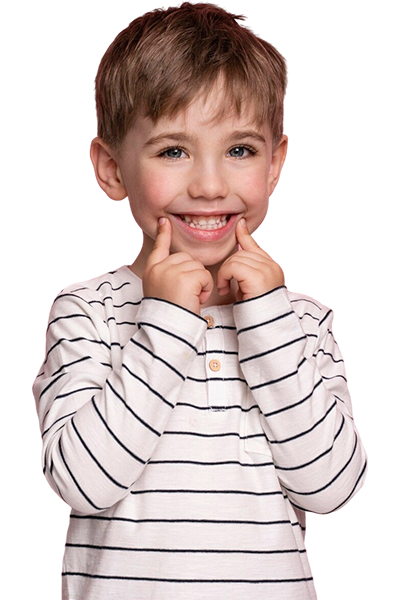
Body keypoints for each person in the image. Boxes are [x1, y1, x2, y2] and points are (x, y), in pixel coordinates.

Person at [33, 4, 367, 599]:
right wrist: (165, 321)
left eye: (240, 150)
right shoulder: (89, 314)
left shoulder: (299, 322)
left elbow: (331, 488)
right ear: (112, 169)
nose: (210, 186)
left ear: (275, 163)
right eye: (173, 151)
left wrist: (266, 319)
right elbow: (84, 484)